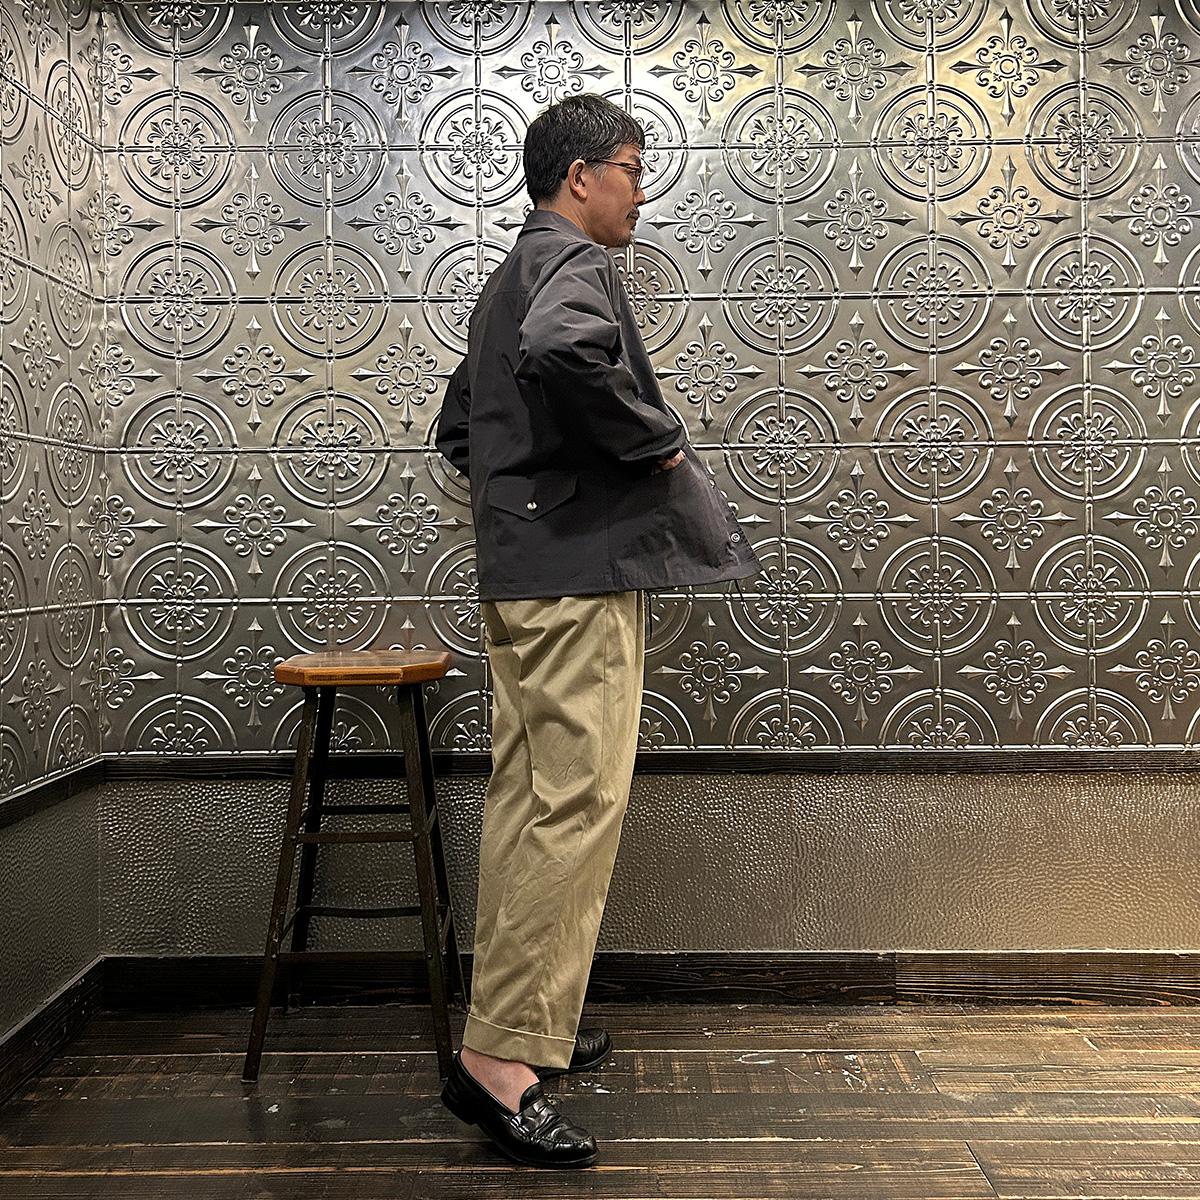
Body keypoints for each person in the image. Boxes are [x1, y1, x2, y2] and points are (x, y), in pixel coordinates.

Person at [433, 93, 762, 1169]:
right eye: (631, 168)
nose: (639, 192)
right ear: (579, 176)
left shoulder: (508, 275)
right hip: (574, 584)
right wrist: (653, 442)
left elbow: (459, 428)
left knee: (529, 803)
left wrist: (530, 497)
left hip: (523, 577)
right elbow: (566, 352)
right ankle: (497, 1061)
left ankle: (524, 1021)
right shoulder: (573, 265)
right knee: (573, 807)